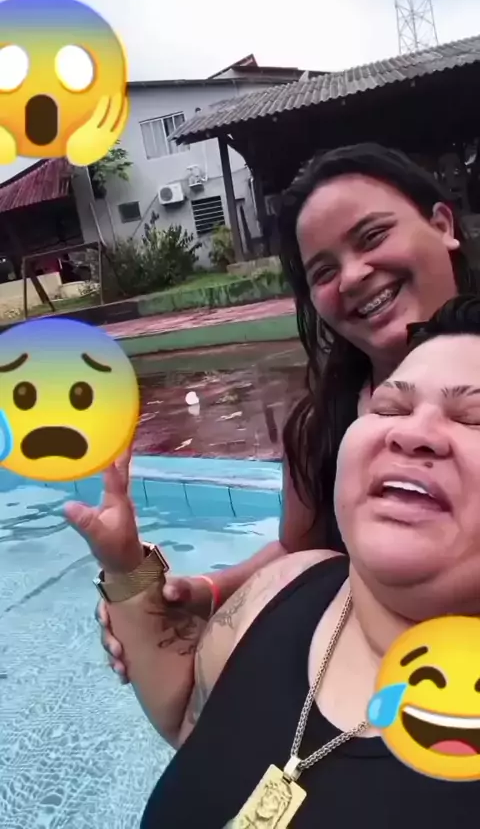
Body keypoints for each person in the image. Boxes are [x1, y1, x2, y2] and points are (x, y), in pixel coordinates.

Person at [69, 295, 480, 828]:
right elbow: (190, 722)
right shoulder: (285, 583)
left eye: (473, 419)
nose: (410, 431)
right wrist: (128, 568)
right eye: (389, 408)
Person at [84, 142, 480, 681]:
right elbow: (298, 555)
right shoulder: (322, 427)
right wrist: (200, 596)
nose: (352, 276)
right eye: (323, 271)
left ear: (442, 225)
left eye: (372, 237)